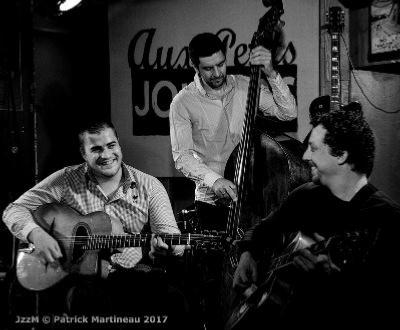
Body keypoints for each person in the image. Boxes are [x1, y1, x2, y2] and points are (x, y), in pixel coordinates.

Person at [3, 119, 188, 328]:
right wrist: (37, 234)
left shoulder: (150, 186)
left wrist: (166, 248)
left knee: (173, 299)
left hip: (128, 276)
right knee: (84, 299)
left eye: (111, 146)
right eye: (96, 149)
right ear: (83, 154)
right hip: (76, 276)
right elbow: (14, 210)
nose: (107, 155)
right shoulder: (65, 180)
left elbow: (172, 236)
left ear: (119, 144)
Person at [231, 103, 400, 328]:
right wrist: (248, 252)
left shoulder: (387, 219)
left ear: (341, 155)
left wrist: (331, 283)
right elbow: (264, 229)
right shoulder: (306, 196)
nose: (305, 154)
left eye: (314, 147)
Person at [169, 32, 297, 231]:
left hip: (253, 197)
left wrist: (271, 73)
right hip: (211, 201)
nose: (218, 73)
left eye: (220, 64)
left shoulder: (246, 86)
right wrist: (215, 180)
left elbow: (288, 113)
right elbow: (182, 156)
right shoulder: (182, 102)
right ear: (195, 67)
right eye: (209, 69)